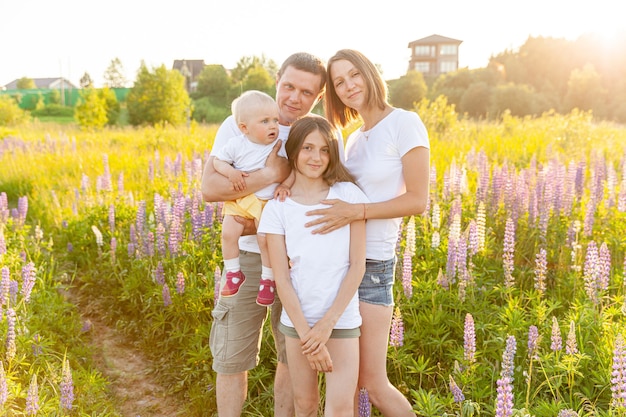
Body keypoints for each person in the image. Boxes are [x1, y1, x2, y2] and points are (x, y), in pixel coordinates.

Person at [201, 52, 331, 417]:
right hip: (247, 257)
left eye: (306, 92)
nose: (293, 97)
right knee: (232, 356)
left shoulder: (314, 133)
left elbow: (317, 200)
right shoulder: (241, 121)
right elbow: (210, 188)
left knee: (293, 358)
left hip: (297, 263)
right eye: (288, 86)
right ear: (277, 79)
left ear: (317, 97)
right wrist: (271, 174)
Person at [305, 49, 430, 416]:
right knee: (349, 385)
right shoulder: (354, 139)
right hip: (340, 268)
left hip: (373, 267)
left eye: (353, 75)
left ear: (370, 73)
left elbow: (417, 200)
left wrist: (355, 212)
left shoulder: (404, 123)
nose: (348, 86)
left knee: (373, 384)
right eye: (338, 82)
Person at [259, 116, 368, 417]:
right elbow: (281, 277)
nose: (316, 157)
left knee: (341, 408)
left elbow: (357, 265)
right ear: (293, 150)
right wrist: (309, 334)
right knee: (304, 405)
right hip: (298, 323)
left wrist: (326, 325)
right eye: (307, 147)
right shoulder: (278, 208)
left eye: (324, 149)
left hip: (341, 320)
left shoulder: (348, 196)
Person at [213, 90, 291, 307]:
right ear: (244, 128)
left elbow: (290, 169)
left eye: (275, 120)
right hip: (242, 201)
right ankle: (233, 273)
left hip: (266, 203)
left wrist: (285, 184)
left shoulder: (279, 145)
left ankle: (267, 278)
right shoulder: (237, 144)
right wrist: (231, 173)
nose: (273, 126)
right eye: (265, 121)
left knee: (264, 238)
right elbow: (218, 162)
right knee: (228, 233)